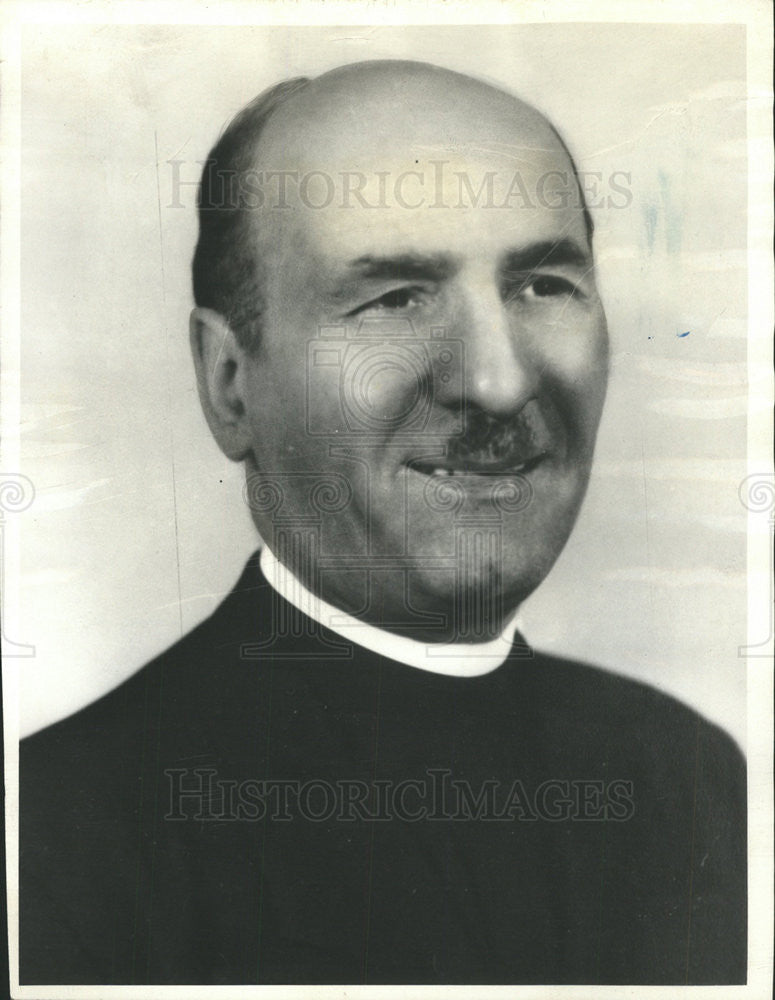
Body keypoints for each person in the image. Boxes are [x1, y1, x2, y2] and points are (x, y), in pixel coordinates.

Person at [20, 60, 746, 985]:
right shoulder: (61, 841)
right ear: (229, 383)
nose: (497, 381)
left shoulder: (690, 777)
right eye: (394, 297)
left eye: (542, 285)